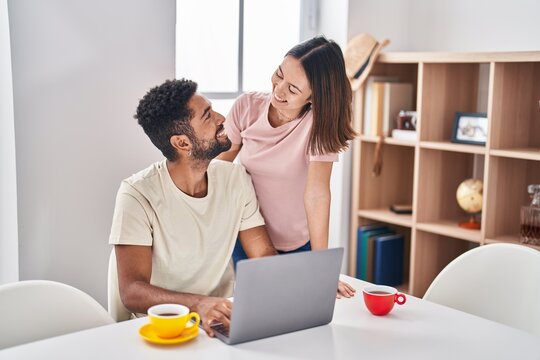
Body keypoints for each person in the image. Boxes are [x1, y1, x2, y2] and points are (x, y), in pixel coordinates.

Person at [109, 79, 277, 337]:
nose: (222, 118)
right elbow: (132, 291)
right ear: (182, 143)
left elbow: (263, 252)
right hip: (162, 328)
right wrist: (198, 304)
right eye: (208, 116)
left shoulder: (235, 179)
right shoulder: (137, 194)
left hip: (220, 322)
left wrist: (291, 289)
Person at [218, 36, 356, 298]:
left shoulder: (318, 125)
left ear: (314, 97)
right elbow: (217, 171)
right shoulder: (247, 107)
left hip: (298, 244)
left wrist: (322, 268)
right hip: (247, 238)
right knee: (256, 312)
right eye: (278, 75)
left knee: (300, 317)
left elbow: (317, 194)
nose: (278, 90)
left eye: (293, 89)